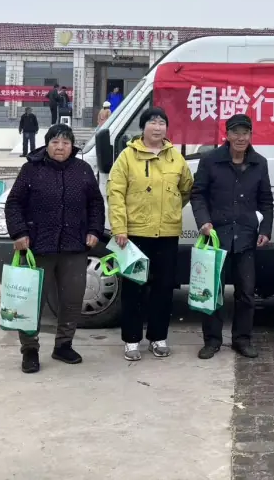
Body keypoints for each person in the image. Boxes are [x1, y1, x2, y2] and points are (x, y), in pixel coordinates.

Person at [4, 124, 105, 374]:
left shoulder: (82, 170)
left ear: (72, 147)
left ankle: (63, 345)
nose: (60, 147)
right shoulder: (31, 169)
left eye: (66, 143)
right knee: (31, 301)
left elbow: (95, 203)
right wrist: (19, 232)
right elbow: (14, 203)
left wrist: (94, 230)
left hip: (74, 246)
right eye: (55, 142)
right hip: (38, 247)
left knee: (72, 299)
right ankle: (29, 349)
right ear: (47, 145)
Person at [108, 107, 194, 361]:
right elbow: (115, 194)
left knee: (164, 288)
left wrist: (170, 210)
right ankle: (131, 340)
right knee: (134, 289)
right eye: (152, 122)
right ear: (143, 127)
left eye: (161, 123)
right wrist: (119, 228)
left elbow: (187, 189)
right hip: (135, 235)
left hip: (167, 234)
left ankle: (158, 337)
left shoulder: (175, 157)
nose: (157, 127)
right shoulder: (127, 157)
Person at [190, 113, 273, 360]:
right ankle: (212, 340)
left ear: (251, 135)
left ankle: (242, 339)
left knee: (246, 293)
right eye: (235, 132)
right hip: (216, 236)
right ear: (227, 135)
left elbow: (266, 201)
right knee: (212, 292)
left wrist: (265, 230)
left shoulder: (259, 163)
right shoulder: (210, 160)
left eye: (245, 133)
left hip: (246, 238)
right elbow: (198, 194)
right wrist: (203, 221)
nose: (240, 138)